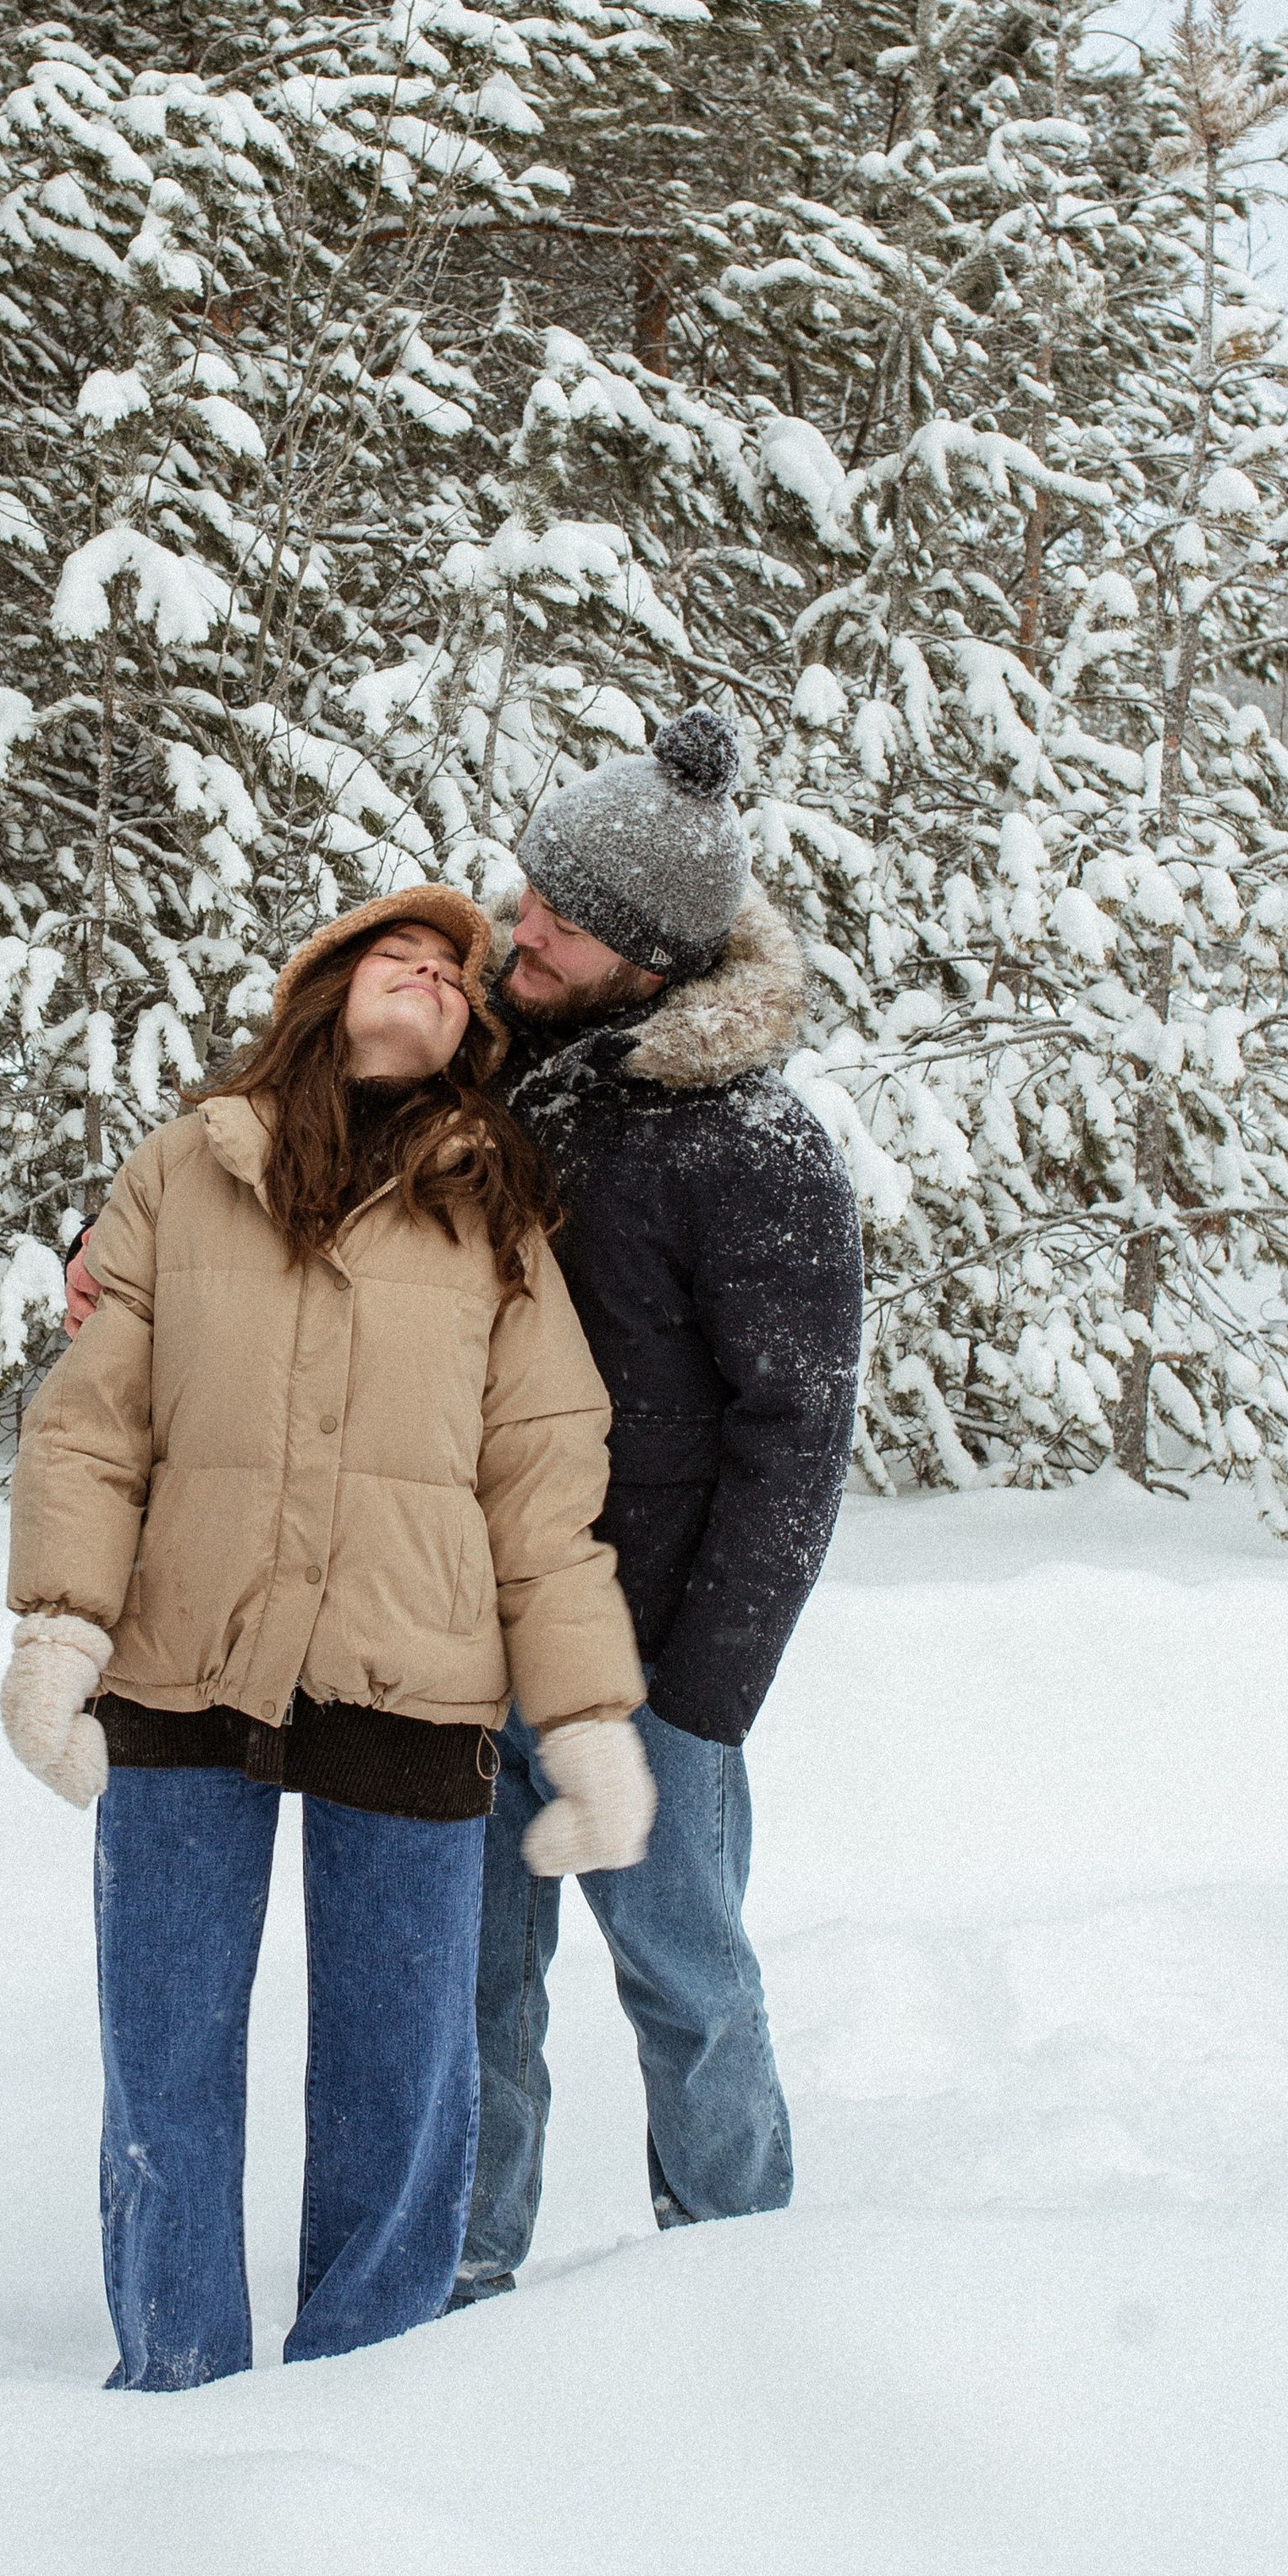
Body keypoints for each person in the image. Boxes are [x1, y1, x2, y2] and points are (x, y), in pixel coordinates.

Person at [1, 888, 652, 2392]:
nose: (424, 972)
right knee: (164, 2054)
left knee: (400, 2075)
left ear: (471, 1031)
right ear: (325, 988)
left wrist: (589, 1715)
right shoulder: (182, 1167)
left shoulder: (497, 1205)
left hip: (413, 1674)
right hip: (182, 1659)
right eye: (394, 953)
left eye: (451, 972)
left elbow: (544, 1481)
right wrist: (58, 1627)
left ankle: (369, 2390)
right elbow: (94, 1427)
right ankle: (176, 2377)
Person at [453, 704, 864, 2289]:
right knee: (474, 1988)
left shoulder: (755, 1148)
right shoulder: (494, 1065)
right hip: (461, 1627)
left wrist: (702, 1698)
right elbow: (292, 1121)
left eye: (566, 919)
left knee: (682, 1977)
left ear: (656, 959)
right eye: (533, 891)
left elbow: (798, 1441)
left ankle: (736, 2274)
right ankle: (460, 2277)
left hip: (639, 1673)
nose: (522, 927)